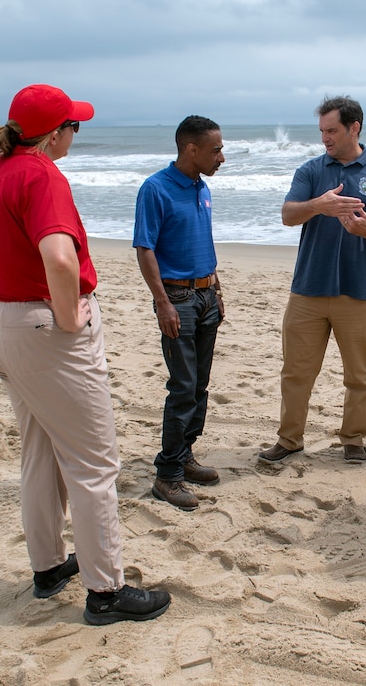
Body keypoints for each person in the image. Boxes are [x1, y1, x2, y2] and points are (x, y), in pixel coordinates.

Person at [0, 84, 170, 625]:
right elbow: (58, 255)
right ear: (55, 134)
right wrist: (70, 315)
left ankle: (49, 567)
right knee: (94, 462)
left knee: (40, 450)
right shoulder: (42, 175)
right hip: (42, 329)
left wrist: (5, 279)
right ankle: (106, 592)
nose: (76, 133)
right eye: (74, 126)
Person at [259, 95, 366, 464]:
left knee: (358, 375)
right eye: (322, 131)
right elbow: (288, 215)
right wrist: (317, 206)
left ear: (354, 128)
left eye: (332, 130)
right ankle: (289, 439)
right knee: (296, 372)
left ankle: (353, 439)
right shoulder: (310, 171)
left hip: (358, 290)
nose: (325, 137)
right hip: (308, 288)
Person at [134, 115, 226, 512]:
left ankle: (185, 455)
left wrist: (217, 289)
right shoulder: (155, 189)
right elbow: (145, 248)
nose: (222, 156)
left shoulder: (200, 187)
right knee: (183, 387)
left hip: (206, 298)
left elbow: (199, 242)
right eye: (216, 149)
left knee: (199, 386)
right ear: (191, 149)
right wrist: (162, 302)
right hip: (178, 301)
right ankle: (167, 475)